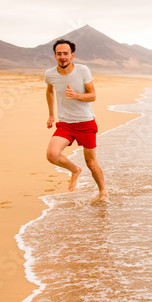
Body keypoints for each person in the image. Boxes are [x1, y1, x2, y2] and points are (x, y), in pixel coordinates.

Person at [44, 39, 107, 199]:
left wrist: (76, 96)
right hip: (65, 123)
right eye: (59, 54)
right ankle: (74, 169)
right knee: (52, 155)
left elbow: (93, 95)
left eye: (66, 53)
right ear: (55, 56)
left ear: (72, 55)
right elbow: (49, 91)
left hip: (85, 122)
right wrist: (51, 114)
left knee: (91, 163)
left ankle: (103, 192)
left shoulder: (82, 70)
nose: (62, 57)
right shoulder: (50, 74)